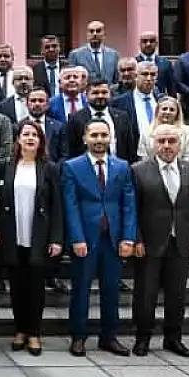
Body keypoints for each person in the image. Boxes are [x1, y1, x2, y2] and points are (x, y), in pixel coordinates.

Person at [61, 119, 136, 357]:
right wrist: (76, 238)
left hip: (112, 239)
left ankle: (109, 337)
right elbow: (70, 204)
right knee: (81, 289)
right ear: (85, 138)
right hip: (86, 238)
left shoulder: (122, 167)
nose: (99, 140)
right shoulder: (72, 167)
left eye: (104, 135)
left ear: (110, 137)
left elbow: (129, 204)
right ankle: (78, 336)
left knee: (111, 289)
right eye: (94, 135)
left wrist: (128, 238)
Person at [129, 123, 189, 357]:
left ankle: (173, 338)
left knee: (177, 294)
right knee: (145, 294)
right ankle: (143, 338)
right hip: (149, 243)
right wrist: (136, 239)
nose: (166, 146)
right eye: (161, 141)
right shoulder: (138, 170)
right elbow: (132, 208)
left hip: (180, 241)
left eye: (172, 141)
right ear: (153, 143)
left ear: (180, 144)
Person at [0, 120, 63, 356]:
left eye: (35, 135)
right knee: (17, 288)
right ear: (18, 139)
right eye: (26, 134)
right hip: (12, 236)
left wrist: (56, 239)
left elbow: (57, 207)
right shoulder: (5, 166)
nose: (30, 138)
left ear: (41, 141)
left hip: (38, 238)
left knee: (36, 288)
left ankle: (34, 333)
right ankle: (20, 329)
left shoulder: (49, 168)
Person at [138, 97, 189, 164]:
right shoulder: (146, 132)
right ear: (157, 111)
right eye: (164, 109)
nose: (168, 112)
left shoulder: (188, 132)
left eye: (172, 110)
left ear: (177, 113)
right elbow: (144, 160)